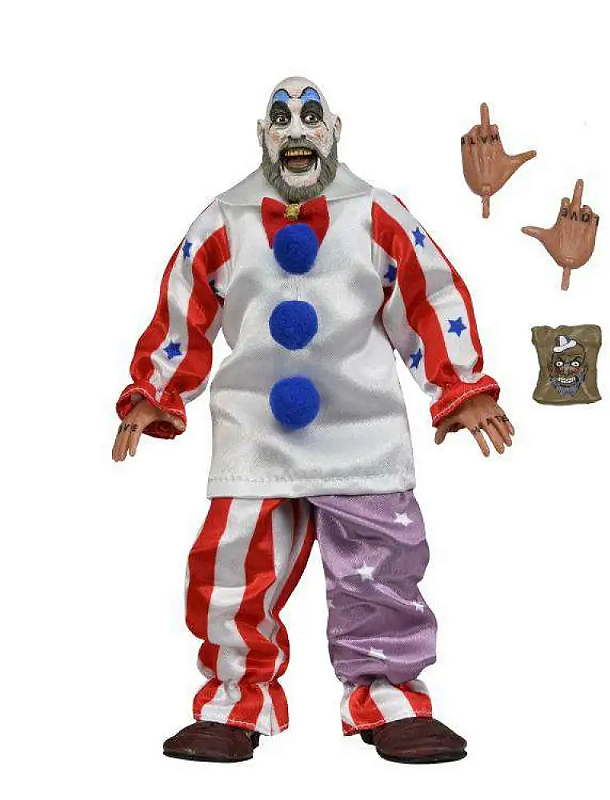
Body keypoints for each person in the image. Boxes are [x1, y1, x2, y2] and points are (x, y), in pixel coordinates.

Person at [112, 76, 515, 764]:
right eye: (281, 119)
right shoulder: (225, 220)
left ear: (334, 132)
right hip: (254, 435)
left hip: (361, 428)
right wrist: (156, 388)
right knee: (230, 570)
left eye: (309, 118)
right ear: (262, 136)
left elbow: (428, 293)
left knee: (382, 569)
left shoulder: (376, 214)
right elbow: (186, 303)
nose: (296, 132)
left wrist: (461, 383)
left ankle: (389, 695)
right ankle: (235, 701)